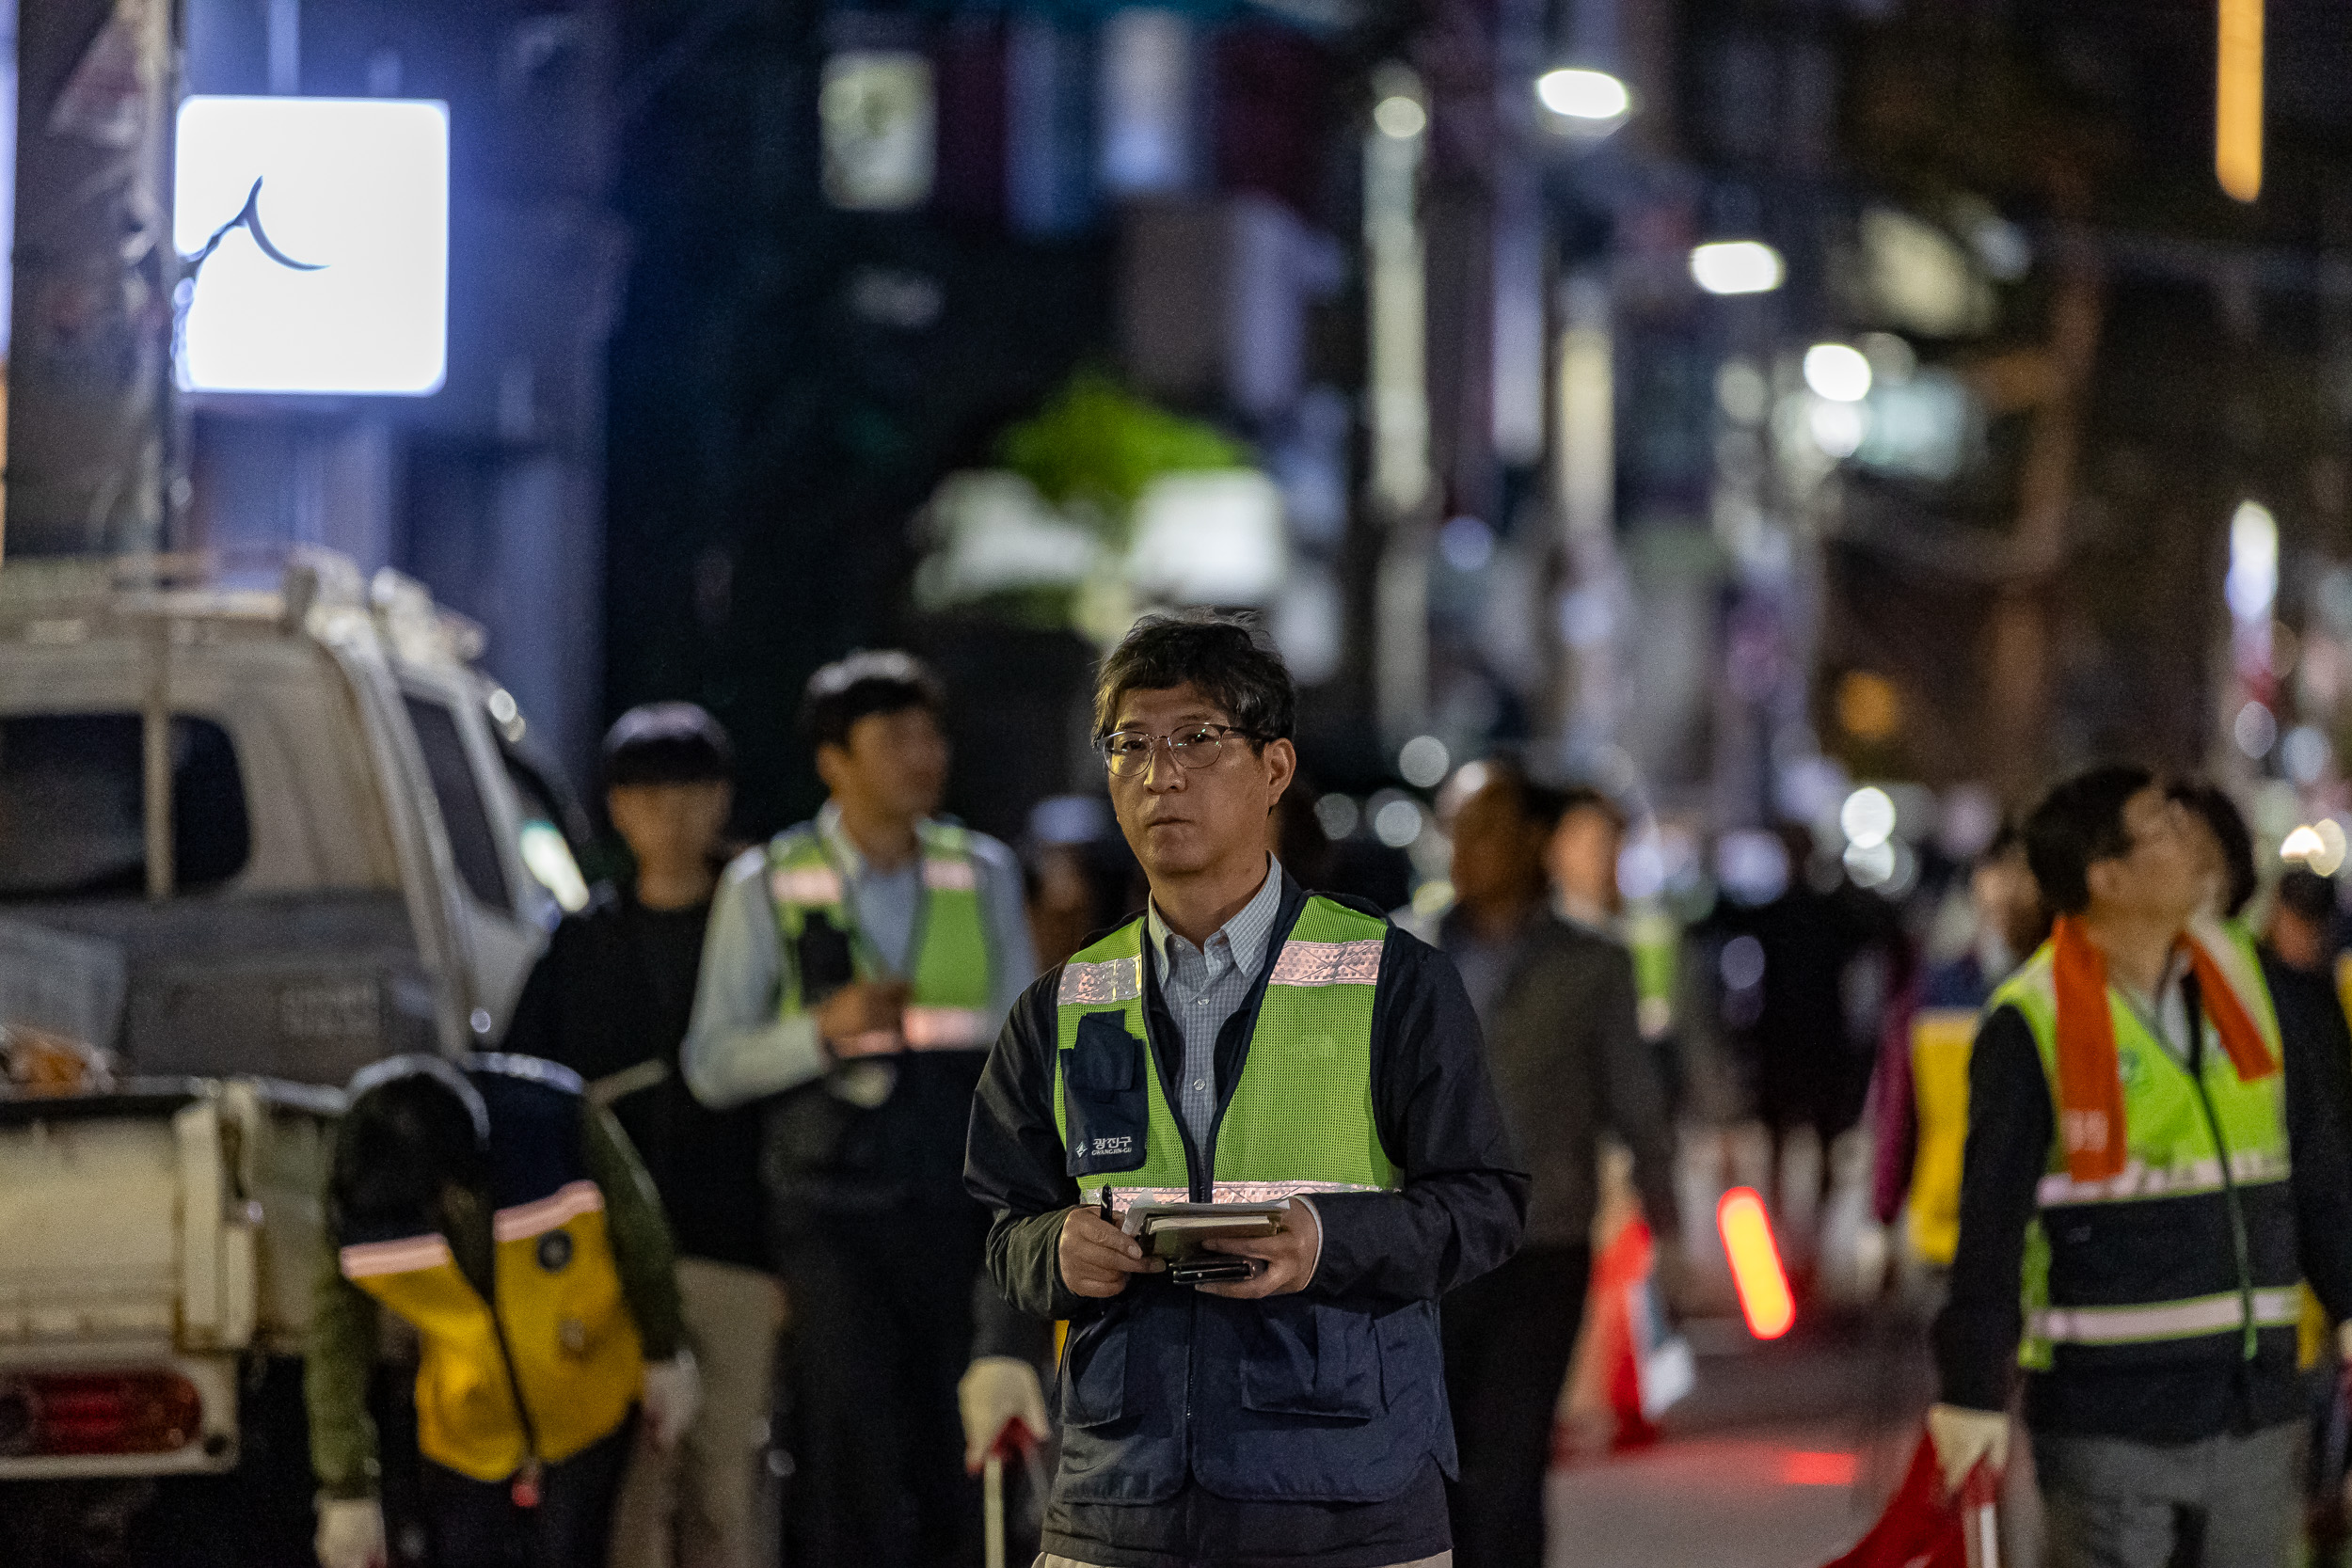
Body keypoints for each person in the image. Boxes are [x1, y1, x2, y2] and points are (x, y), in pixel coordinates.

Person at [965, 609, 1527, 1568]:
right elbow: (1003, 1223)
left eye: (1195, 738)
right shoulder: (1063, 1003)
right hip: (1121, 1503)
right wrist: (1058, 1247)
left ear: (1274, 767)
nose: (1159, 774)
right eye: (1129, 745)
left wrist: (1322, 1239)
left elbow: (1484, 1206)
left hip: (1346, 1498)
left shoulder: (1391, 980)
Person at [1930, 765, 2352, 1568]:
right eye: (2160, 826)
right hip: (2110, 1427)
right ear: (2107, 876)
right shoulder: (2030, 1023)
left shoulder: (2255, 989)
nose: (2187, 839)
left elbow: (2319, 1176)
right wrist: (1971, 1392)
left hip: (2254, 1416)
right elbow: (1989, 1229)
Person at [680, 650, 1044, 1568]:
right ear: (834, 762)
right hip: (831, 1211)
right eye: (895, 738)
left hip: (959, 1203)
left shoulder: (984, 868)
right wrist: (822, 1032)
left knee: (961, 1443)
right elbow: (711, 1062)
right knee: (852, 1453)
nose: (924, 756)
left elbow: (1023, 1041)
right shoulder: (767, 880)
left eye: (931, 735)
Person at [500, 704, 780, 1568]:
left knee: (724, 1486)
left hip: (735, 1248)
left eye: (690, 791)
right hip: (607, 1261)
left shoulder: (766, 929)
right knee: (627, 1494)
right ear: (617, 809)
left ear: (721, 800)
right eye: (646, 793)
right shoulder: (579, 945)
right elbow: (522, 1089)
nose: (670, 814)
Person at [309, 1054, 699, 1568]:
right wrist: (346, 1487)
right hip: (466, 1428)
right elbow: (338, 1340)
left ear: (454, 1191)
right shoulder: (358, 1181)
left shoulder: (556, 1122)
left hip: (588, 1399)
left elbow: (641, 1236)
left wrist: (663, 1350)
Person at [1436, 765, 1677, 1568]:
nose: (1467, 849)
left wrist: (1664, 1209)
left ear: (1533, 838)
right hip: (1426, 1251)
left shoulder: (1591, 963)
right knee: (1436, 1468)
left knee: (1508, 1465)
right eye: (1457, 829)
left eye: (1487, 828)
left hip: (1542, 1245)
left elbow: (1635, 1096)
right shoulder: (1408, 952)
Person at [1871, 823, 2048, 1267]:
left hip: (2039, 1232)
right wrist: (1883, 1213)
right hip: (1947, 1224)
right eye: (1998, 871)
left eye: (2025, 875)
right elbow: (1899, 1107)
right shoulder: (1936, 990)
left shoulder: (2068, 992)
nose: (2010, 891)